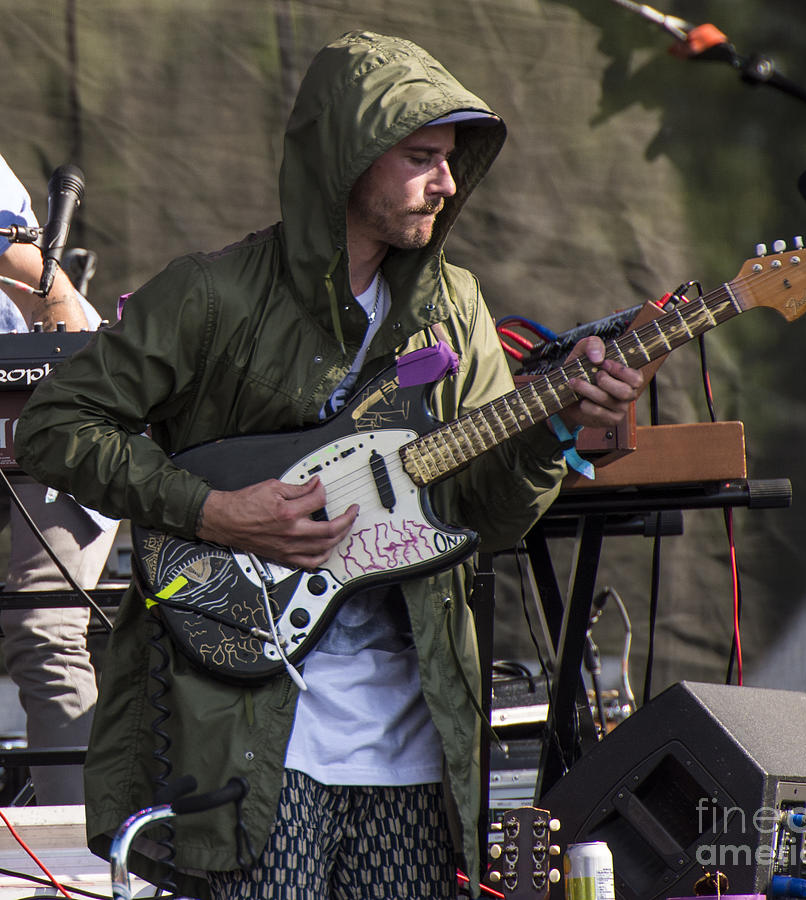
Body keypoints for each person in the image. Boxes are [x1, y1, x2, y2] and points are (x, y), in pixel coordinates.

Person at [13, 31, 642, 898]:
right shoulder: (213, 293)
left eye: (451, 160)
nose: (448, 182)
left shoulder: (455, 306)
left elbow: (489, 521)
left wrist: (551, 433)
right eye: (420, 157)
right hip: (251, 738)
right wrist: (212, 510)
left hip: (417, 743)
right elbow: (53, 424)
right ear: (346, 161)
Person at [0, 153, 118, 804]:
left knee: (43, 620)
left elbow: (41, 282)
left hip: (56, 397)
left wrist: (52, 293)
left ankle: (78, 855)